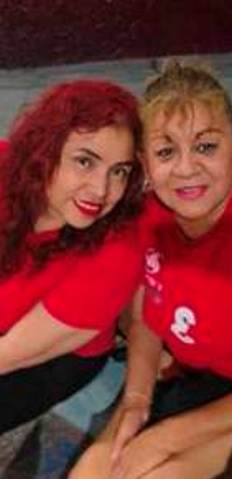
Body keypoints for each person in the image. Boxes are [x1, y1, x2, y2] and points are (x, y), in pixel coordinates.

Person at [42, 60, 232, 479]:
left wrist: (166, 438)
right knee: (93, 478)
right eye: (166, 151)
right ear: (146, 164)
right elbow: (147, 314)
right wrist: (135, 400)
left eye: (206, 146)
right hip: (190, 380)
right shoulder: (150, 214)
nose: (187, 168)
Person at [0, 79, 144, 434]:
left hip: (44, 357)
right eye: (84, 162)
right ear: (45, 151)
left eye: (119, 172)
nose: (101, 190)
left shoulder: (116, 255)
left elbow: (6, 355)